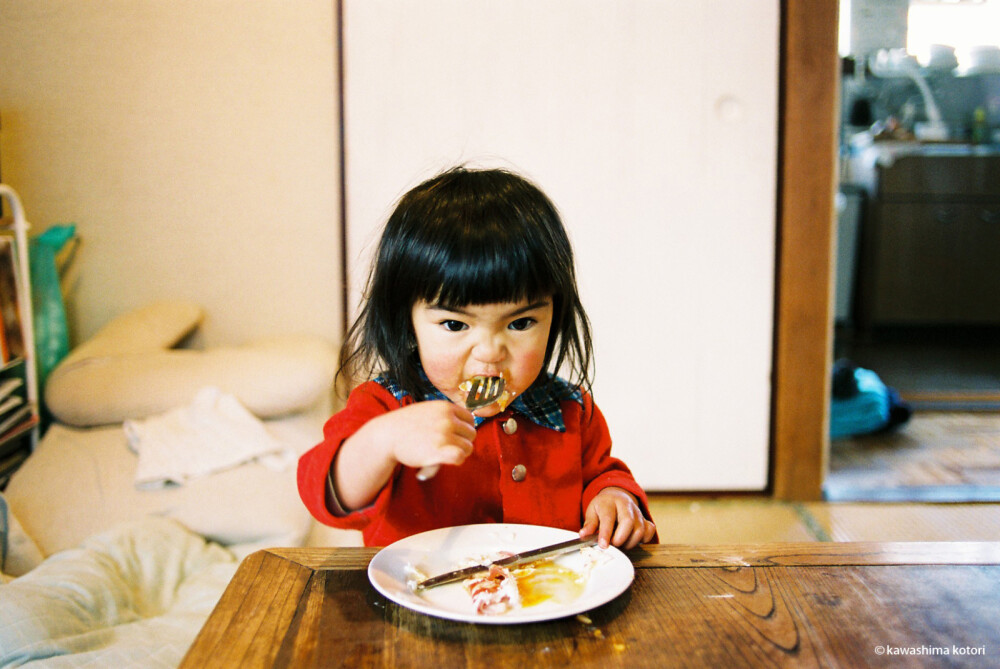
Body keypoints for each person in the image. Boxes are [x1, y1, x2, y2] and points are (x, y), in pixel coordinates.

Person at [297, 166, 657, 549]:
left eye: (520, 323)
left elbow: (603, 474)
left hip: (544, 597)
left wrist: (614, 499)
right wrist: (380, 443)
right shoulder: (386, 405)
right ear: (407, 322)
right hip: (420, 596)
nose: (489, 353)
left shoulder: (571, 410)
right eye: (455, 325)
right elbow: (327, 495)